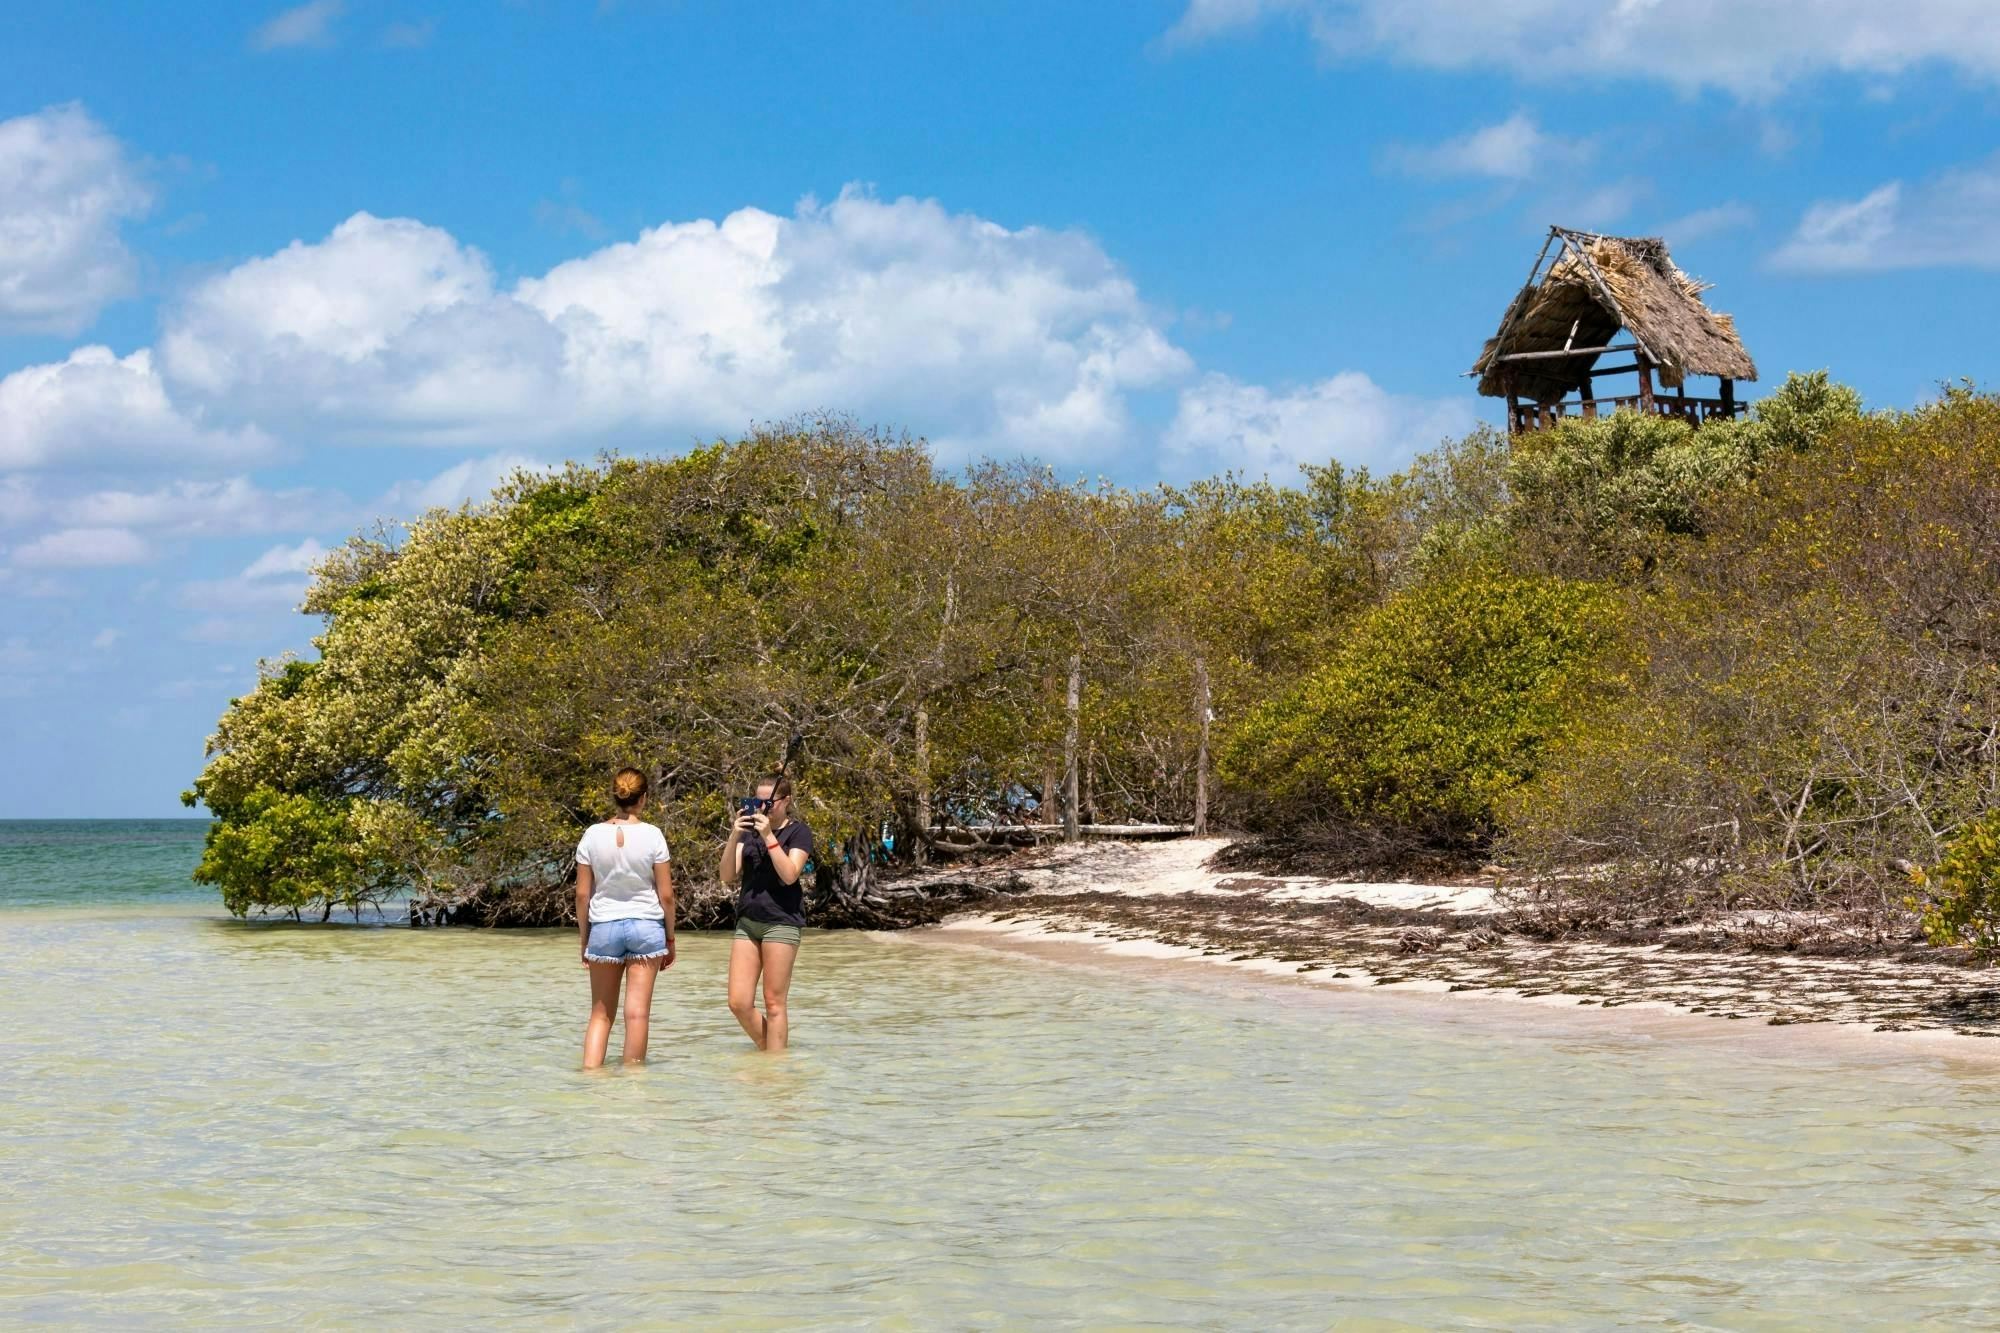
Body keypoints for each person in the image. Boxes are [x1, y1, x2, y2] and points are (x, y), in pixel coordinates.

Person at [575, 767, 676, 1069]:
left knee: (600, 1014)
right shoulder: (653, 835)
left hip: (604, 928)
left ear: (615, 797)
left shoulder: (591, 835)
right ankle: (634, 1087)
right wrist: (670, 937)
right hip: (646, 926)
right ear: (644, 798)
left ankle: (591, 1080)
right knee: (637, 1015)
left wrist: (584, 940)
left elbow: (582, 896)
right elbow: (667, 896)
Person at [718, 772, 814, 1051]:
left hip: (781, 922)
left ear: (786, 801)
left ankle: (775, 1063)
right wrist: (736, 832)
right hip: (748, 922)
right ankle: (772, 1053)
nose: (762, 808)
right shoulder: (748, 834)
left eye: (768, 803)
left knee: (774, 1002)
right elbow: (727, 875)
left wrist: (769, 836)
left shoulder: (798, 832)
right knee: (738, 1002)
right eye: (755, 802)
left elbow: (790, 874)